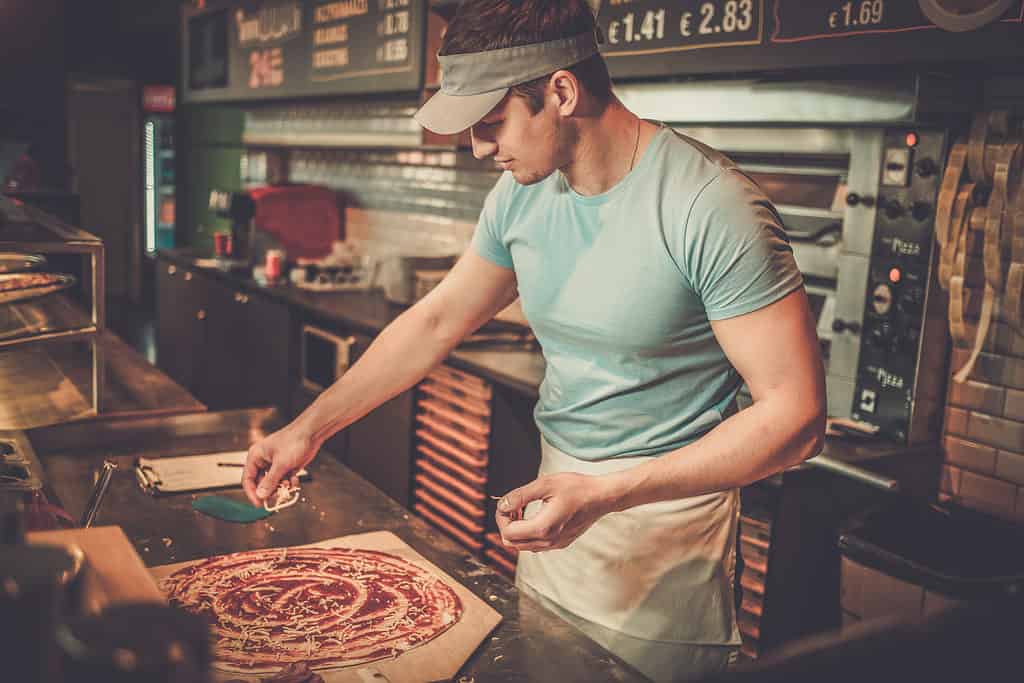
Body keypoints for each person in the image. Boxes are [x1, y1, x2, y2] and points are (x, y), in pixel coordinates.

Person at [244, 1, 826, 680]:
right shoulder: (524, 194)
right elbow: (436, 321)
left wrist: (607, 492)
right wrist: (309, 430)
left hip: (665, 564)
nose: (479, 148)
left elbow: (798, 417)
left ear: (561, 91)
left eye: (491, 123)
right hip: (555, 538)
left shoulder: (710, 207)